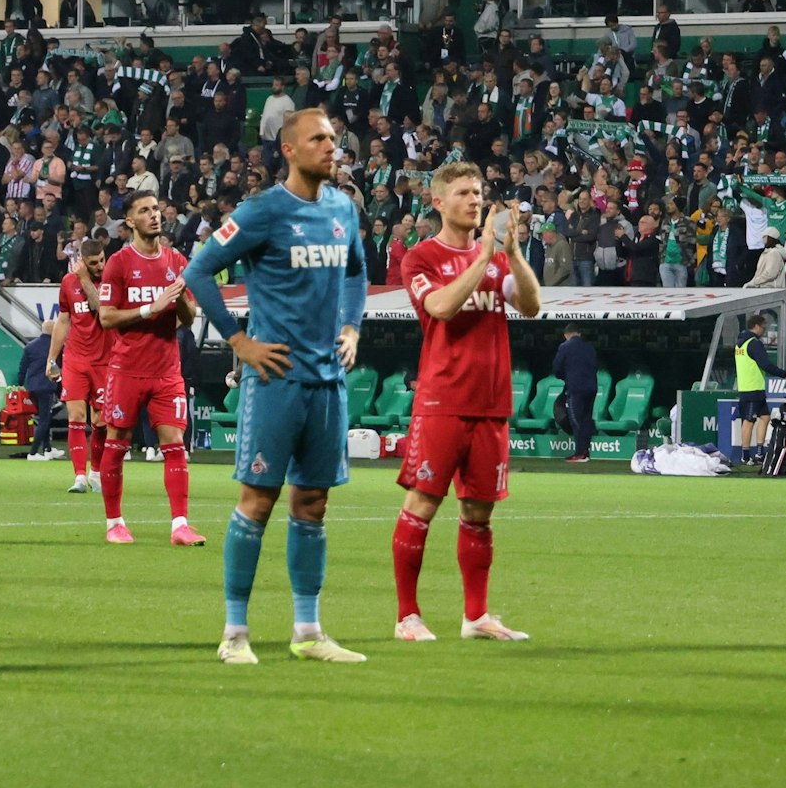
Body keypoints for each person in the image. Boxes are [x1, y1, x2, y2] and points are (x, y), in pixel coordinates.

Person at [184, 108, 369, 666]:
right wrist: (239, 342)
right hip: (275, 382)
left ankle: (308, 631)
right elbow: (198, 271)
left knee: (313, 503)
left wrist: (352, 326)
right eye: (318, 139)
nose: (331, 147)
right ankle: (235, 632)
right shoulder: (261, 211)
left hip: (328, 381)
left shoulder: (342, 208)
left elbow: (356, 272)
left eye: (333, 138)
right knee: (258, 501)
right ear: (288, 149)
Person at [391, 164, 543, 642]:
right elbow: (440, 307)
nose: (475, 200)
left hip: (491, 403)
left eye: (478, 192)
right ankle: (407, 616)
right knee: (423, 503)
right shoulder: (421, 257)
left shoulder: (496, 258)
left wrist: (513, 256)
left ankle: (476, 617)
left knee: (479, 512)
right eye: (463, 193)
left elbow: (531, 306)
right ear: (439, 202)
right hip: (442, 400)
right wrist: (483, 259)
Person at [77, 190, 202, 546]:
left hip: (166, 370)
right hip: (126, 369)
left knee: (174, 443)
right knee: (117, 442)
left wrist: (180, 298)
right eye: (145, 210)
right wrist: (151, 308)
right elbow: (107, 317)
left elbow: (188, 317)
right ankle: (114, 522)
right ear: (130, 221)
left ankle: (180, 525)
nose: (154, 215)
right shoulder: (118, 263)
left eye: (156, 209)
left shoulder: (176, 260)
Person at [45, 239, 107, 494]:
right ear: (82, 261)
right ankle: (79, 476)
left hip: (105, 360)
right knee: (76, 416)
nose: (100, 266)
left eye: (102, 260)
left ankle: (96, 472)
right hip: (75, 359)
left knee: (101, 421)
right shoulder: (67, 283)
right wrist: (52, 359)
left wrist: (84, 278)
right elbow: (63, 321)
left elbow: (101, 308)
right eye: (94, 263)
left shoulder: (111, 280)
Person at [733, 314, 783, 462]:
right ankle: (745, 456)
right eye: (763, 327)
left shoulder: (739, 344)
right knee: (749, 421)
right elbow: (765, 364)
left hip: (749, 387)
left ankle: (760, 453)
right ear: (756, 326)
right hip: (752, 388)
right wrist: (783, 374)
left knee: (765, 417)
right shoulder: (754, 343)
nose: (764, 330)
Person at [552, 326, 598, 463]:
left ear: (566, 334)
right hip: (591, 387)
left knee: (576, 420)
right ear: (579, 333)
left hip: (575, 388)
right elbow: (595, 366)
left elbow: (556, 368)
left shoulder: (564, 347)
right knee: (587, 419)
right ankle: (585, 452)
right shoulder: (590, 347)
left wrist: (566, 377)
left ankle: (580, 454)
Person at [20, 322, 58, 461]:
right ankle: (33, 452)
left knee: (43, 418)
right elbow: (58, 367)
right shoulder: (55, 347)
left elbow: (22, 367)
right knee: (44, 420)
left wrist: (20, 384)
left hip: (33, 388)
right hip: (47, 387)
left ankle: (47, 450)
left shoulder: (30, 346)